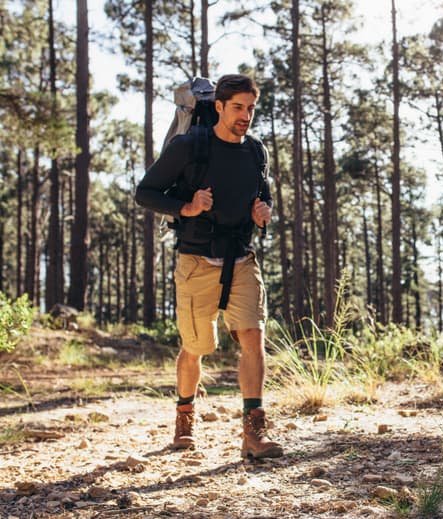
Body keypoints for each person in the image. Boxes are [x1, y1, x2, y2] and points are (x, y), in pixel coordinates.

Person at [135, 74, 283, 459]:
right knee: (195, 347)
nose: (245, 116)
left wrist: (263, 212)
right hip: (196, 261)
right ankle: (185, 417)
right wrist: (187, 206)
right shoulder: (189, 147)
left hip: (241, 258)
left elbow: (261, 194)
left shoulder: (255, 151)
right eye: (237, 107)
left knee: (253, 337)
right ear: (218, 106)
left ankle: (253, 432)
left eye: (250, 108)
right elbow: (145, 192)